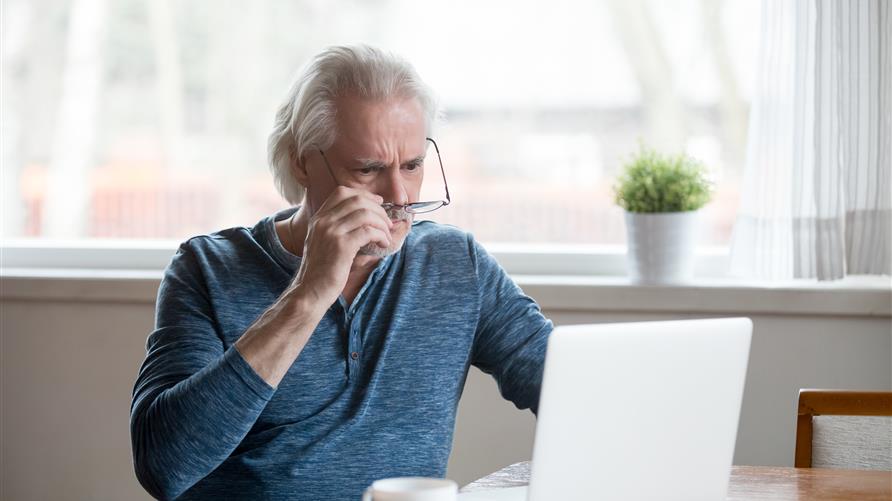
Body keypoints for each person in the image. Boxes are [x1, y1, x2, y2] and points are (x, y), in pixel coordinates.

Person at [130, 44, 553, 501]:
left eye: (412, 166)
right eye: (368, 169)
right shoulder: (207, 269)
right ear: (302, 161)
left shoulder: (455, 265)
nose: (399, 196)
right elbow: (164, 467)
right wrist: (309, 293)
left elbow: (575, 392)